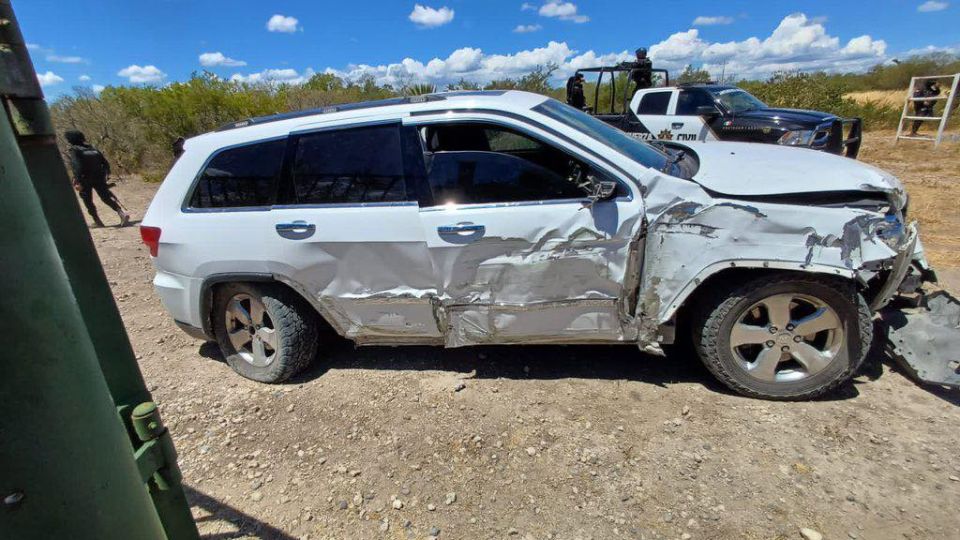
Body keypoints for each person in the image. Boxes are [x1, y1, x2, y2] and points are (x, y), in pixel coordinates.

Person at [64, 130, 130, 227]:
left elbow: (77, 166)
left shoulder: (75, 150)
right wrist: (106, 174)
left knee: (88, 201)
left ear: (71, 139)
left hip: (84, 179)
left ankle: (97, 221)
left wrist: (77, 181)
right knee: (106, 197)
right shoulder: (93, 149)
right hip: (99, 177)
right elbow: (105, 163)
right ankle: (121, 213)